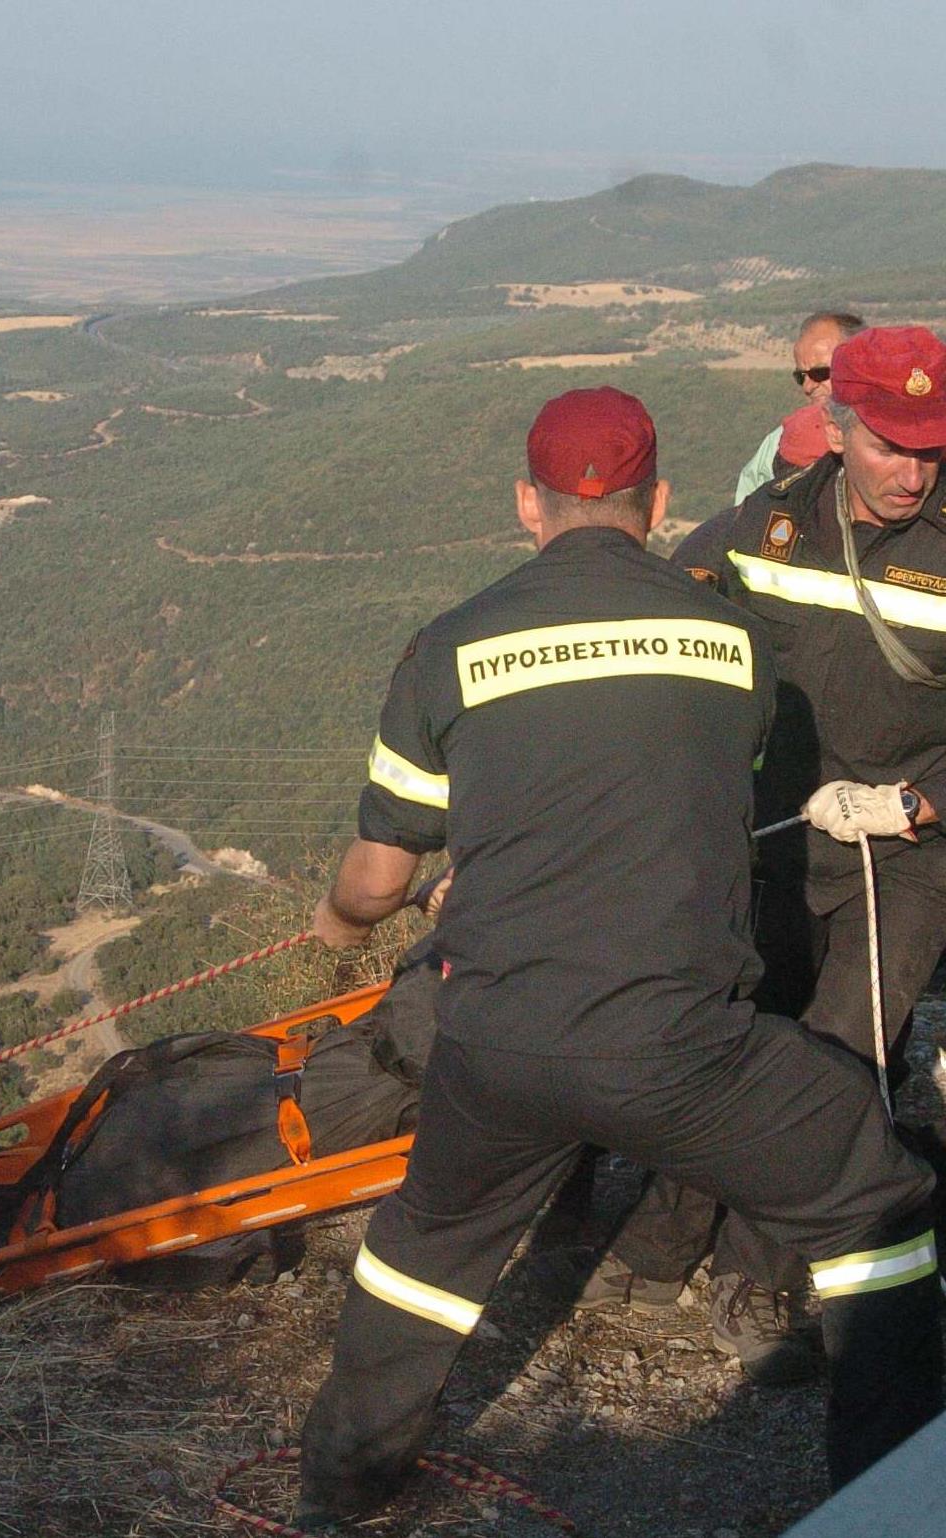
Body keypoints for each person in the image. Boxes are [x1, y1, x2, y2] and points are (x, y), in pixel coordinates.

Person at [296, 387, 939, 1522]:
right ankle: (888, 1485)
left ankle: (340, 1485)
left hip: (494, 1038)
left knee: (421, 1250)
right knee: (866, 1189)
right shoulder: (733, 645)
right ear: (655, 504)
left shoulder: (445, 646)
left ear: (521, 506)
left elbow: (377, 876)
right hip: (677, 1044)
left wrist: (341, 924)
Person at [596, 325, 946, 1376]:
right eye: (889, 443)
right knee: (734, 1042)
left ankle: (759, 1280)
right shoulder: (767, 525)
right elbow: (667, 615)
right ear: (835, 427)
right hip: (776, 838)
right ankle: (660, 1242)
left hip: (906, 854)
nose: (911, 470)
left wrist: (919, 804)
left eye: (929, 445)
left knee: (835, 1060)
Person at [732, 312, 864, 504]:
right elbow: (744, 520)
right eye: (801, 377)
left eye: (820, 373)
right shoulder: (778, 442)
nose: (807, 387)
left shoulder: (897, 431)